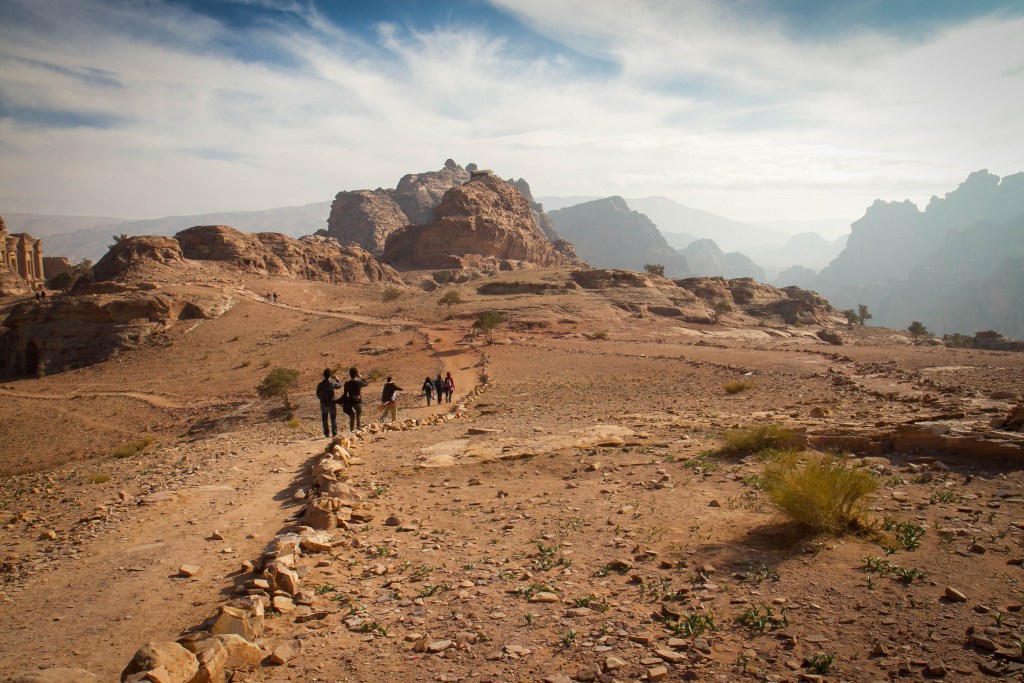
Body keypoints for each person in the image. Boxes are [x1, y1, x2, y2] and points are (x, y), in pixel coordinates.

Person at [316, 369, 342, 438]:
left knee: (324, 419)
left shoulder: (320, 384)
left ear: (323, 375)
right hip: (331, 404)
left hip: (323, 404)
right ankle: (334, 433)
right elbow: (339, 386)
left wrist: (322, 399)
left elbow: (317, 394)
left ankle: (326, 434)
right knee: (333, 419)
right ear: (330, 375)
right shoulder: (332, 383)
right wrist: (337, 379)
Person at [342, 367, 369, 432]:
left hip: (351, 403)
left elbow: (345, 394)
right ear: (356, 374)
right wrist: (361, 377)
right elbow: (366, 383)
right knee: (358, 418)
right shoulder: (359, 382)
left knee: (352, 417)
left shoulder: (347, 384)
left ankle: (351, 431)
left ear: (350, 374)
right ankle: (358, 431)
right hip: (359, 402)